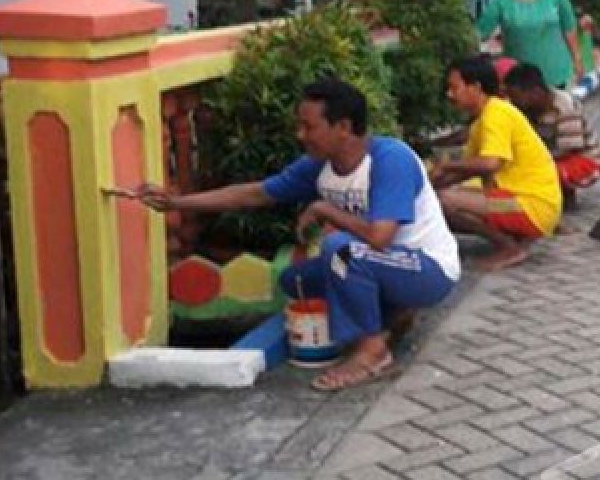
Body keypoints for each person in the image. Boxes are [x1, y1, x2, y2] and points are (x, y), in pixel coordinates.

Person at [137, 78, 460, 392]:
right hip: (380, 264)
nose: (300, 134)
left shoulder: (390, 159)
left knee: (342, 251)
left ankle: (373, 352)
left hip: (428, 270)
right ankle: (394, 315)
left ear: (344, 127)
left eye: (309, 127)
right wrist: (176, 201)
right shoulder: (320, 165)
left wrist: (324, 210)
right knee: (296, 281)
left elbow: (379, 238)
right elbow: (255, 194)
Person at [431, 55, 562, 270]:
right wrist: (430, 184)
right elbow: (469, 168)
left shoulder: (496, 114)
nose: (450, 94)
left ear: (475, 87)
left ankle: (510, 248)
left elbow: (490, 163)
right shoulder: (484, 118)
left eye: (455, 88)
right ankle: (513, 238)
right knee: (439, 198)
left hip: (531, 205)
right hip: (521, 200)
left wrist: (444, 166)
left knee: (445, 201)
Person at [476, 0, 584, 88]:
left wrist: (576, 59)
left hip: (555, 75)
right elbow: (480, 32)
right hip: (519, 81)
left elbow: (568, 26)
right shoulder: (501, 1)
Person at [502, 62, 600, 207]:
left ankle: (554, 199)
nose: (513, 102)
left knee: (533, 174)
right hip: (553, 156)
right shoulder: (527, 108)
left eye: (516, 97)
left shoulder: (564, 107)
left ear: (535, 92)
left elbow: (568, 149)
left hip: (585, 160)